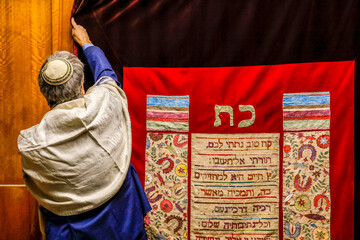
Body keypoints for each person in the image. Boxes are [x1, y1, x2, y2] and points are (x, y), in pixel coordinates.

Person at [17, 18, 151, 240]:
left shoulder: (30, 144)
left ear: (45, 94)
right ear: (82, 86)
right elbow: (108, 77)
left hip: (69, 231)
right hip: (123, 221)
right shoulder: (105, 101)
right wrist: (87, 43)